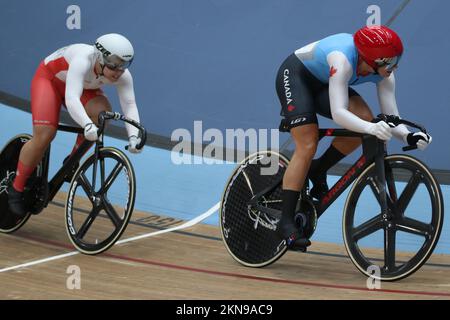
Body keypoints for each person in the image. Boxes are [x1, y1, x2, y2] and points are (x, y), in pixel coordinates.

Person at [275, 25, 432, 251]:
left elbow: (392, 118)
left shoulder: (385, 74)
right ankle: (286, 222)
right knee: (307, 143)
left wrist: (409, 136)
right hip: (296, 76)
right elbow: (339, 113)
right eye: (390, 62)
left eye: (397, 61)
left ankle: (318, 169)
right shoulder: (342, 60)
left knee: (365, 119)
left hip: (324, 83)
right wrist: (371, 128)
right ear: (372, 60)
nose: (395, 67)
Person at [8, 33, 144, 217]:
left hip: (81, 88)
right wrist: (87, 125)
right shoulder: (82, 60)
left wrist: (134, 137)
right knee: (45, 135)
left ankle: (72, 160)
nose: (118, 71)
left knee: (103, 116)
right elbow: (72, 99)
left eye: (124, 65)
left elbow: (129, 105)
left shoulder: (122, 75)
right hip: (49, 80)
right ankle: (16, 188)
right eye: (114, 64)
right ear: (99, 56)